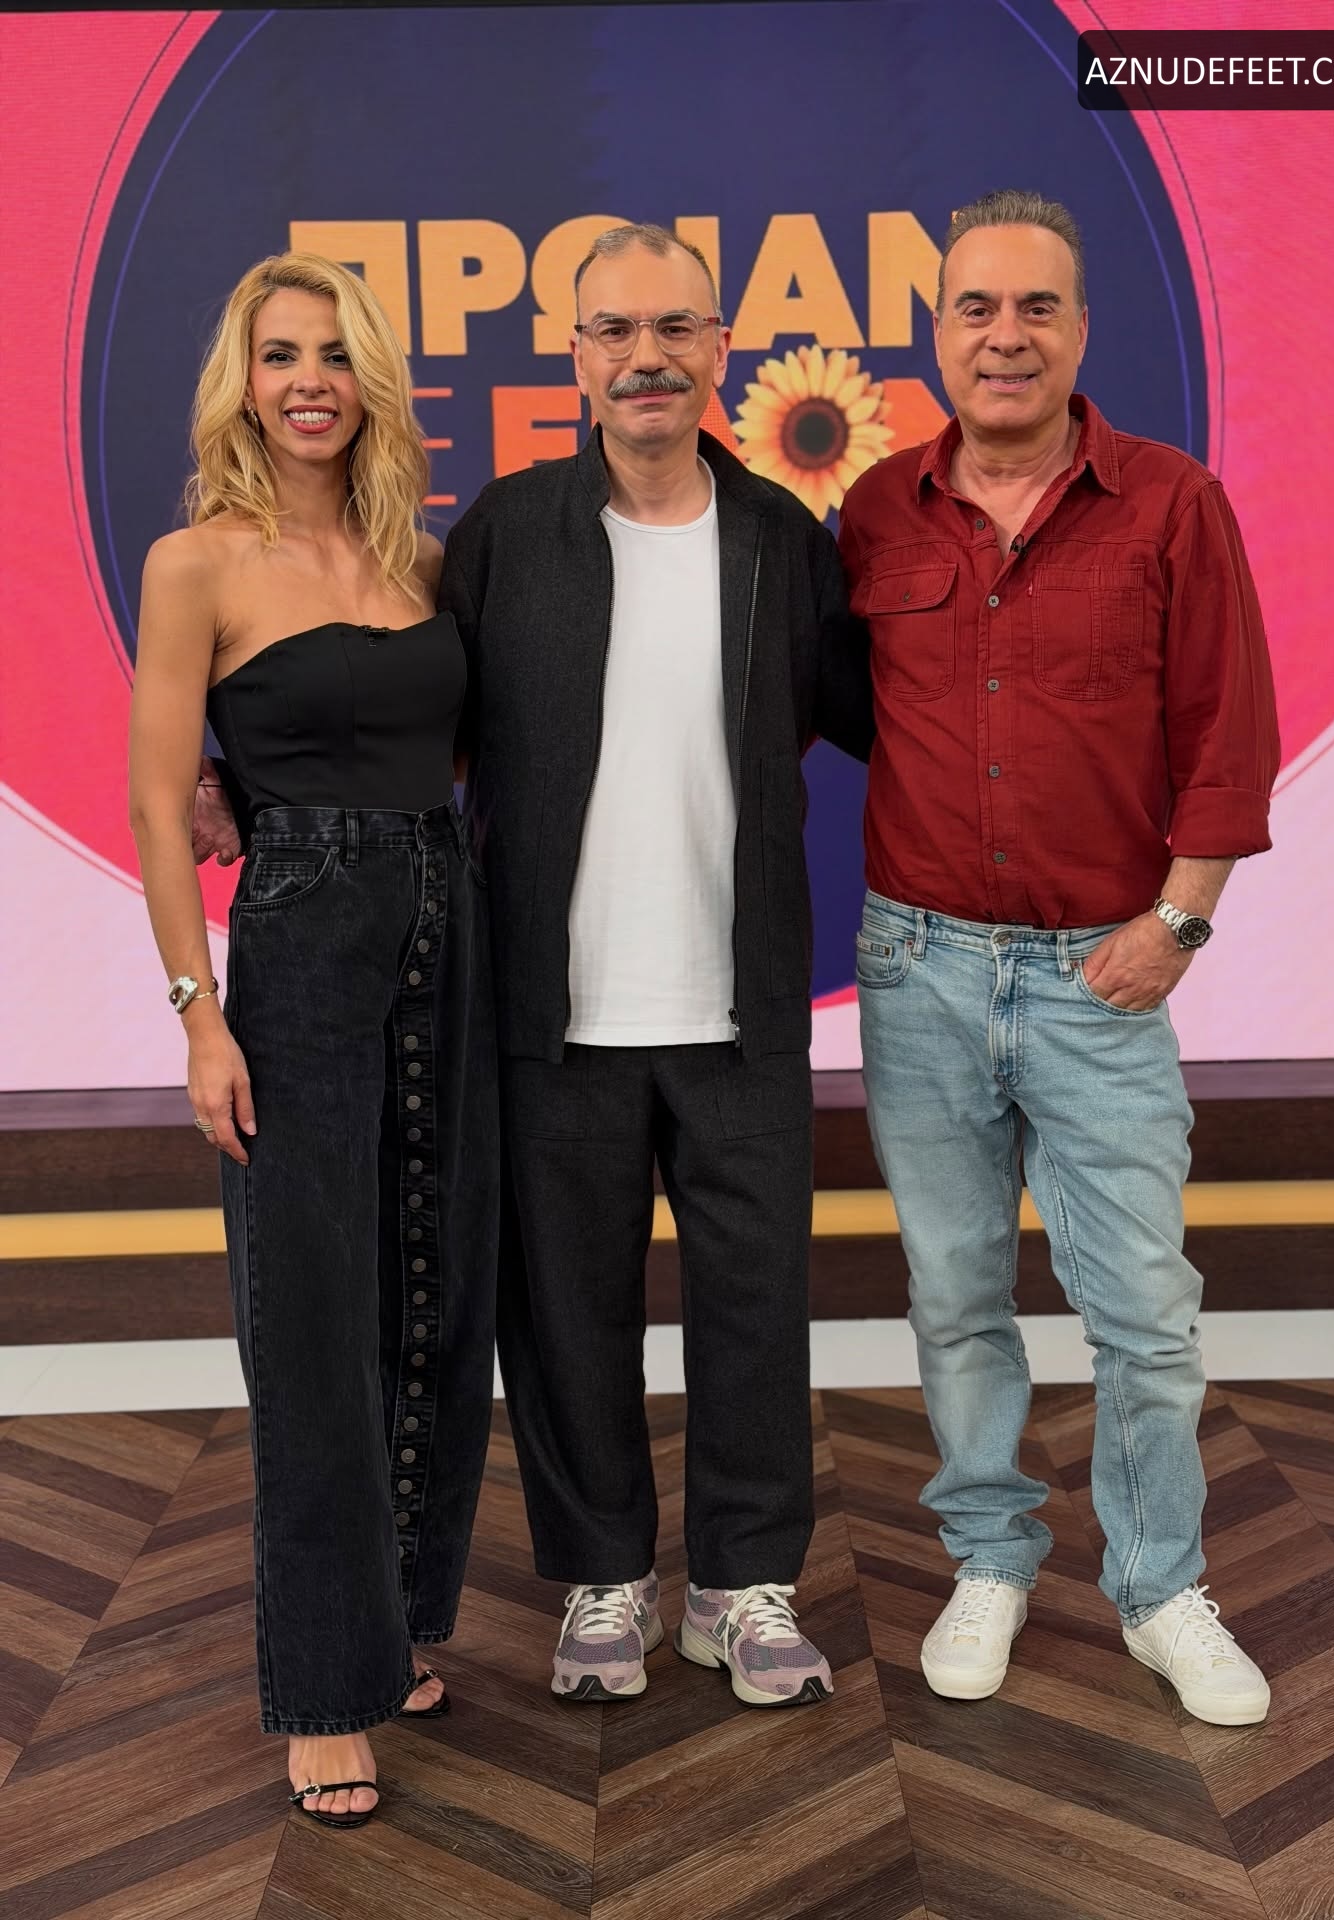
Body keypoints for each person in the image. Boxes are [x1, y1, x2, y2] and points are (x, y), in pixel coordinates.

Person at [837, 191, 1280, 1726]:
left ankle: (1159, 1588)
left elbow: (1228, 733)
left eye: (1037, 307)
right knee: (956, 1294)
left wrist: (1179, 923)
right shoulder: (876, 511)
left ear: (1082, 331)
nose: (1006, 335)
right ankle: (991, 1559)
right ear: (937, 334)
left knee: (1144, 1309)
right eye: (977, 308)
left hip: (1106, 974)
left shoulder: (1173, 503)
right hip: (917, 972)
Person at [438, 224, 872, 1706]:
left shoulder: (781, 540)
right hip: (552, 1008)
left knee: (756, 1308)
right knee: (567, 1313)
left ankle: (744, 1587)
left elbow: (863, 715)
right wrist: (231, 775)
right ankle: (604, 1577)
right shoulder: (506, 533)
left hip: (738, 1004)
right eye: (615, 332)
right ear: (574, 356)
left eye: (676, 328)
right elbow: (415, 716)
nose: (647, 358)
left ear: (720, 350)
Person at [130, 252, 499, 1826]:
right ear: (244, 380)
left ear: (372, 382)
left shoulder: (425, 558)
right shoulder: (196, 563)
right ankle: (323, 1695)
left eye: (335, 355)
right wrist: (196, 1012)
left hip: (448, 920)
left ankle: (395, 1627)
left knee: (435, 1295)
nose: (309, 382)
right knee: (309, 1319)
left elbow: (452, 746)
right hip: (296, 942)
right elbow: (159, 800)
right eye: (281, 354)